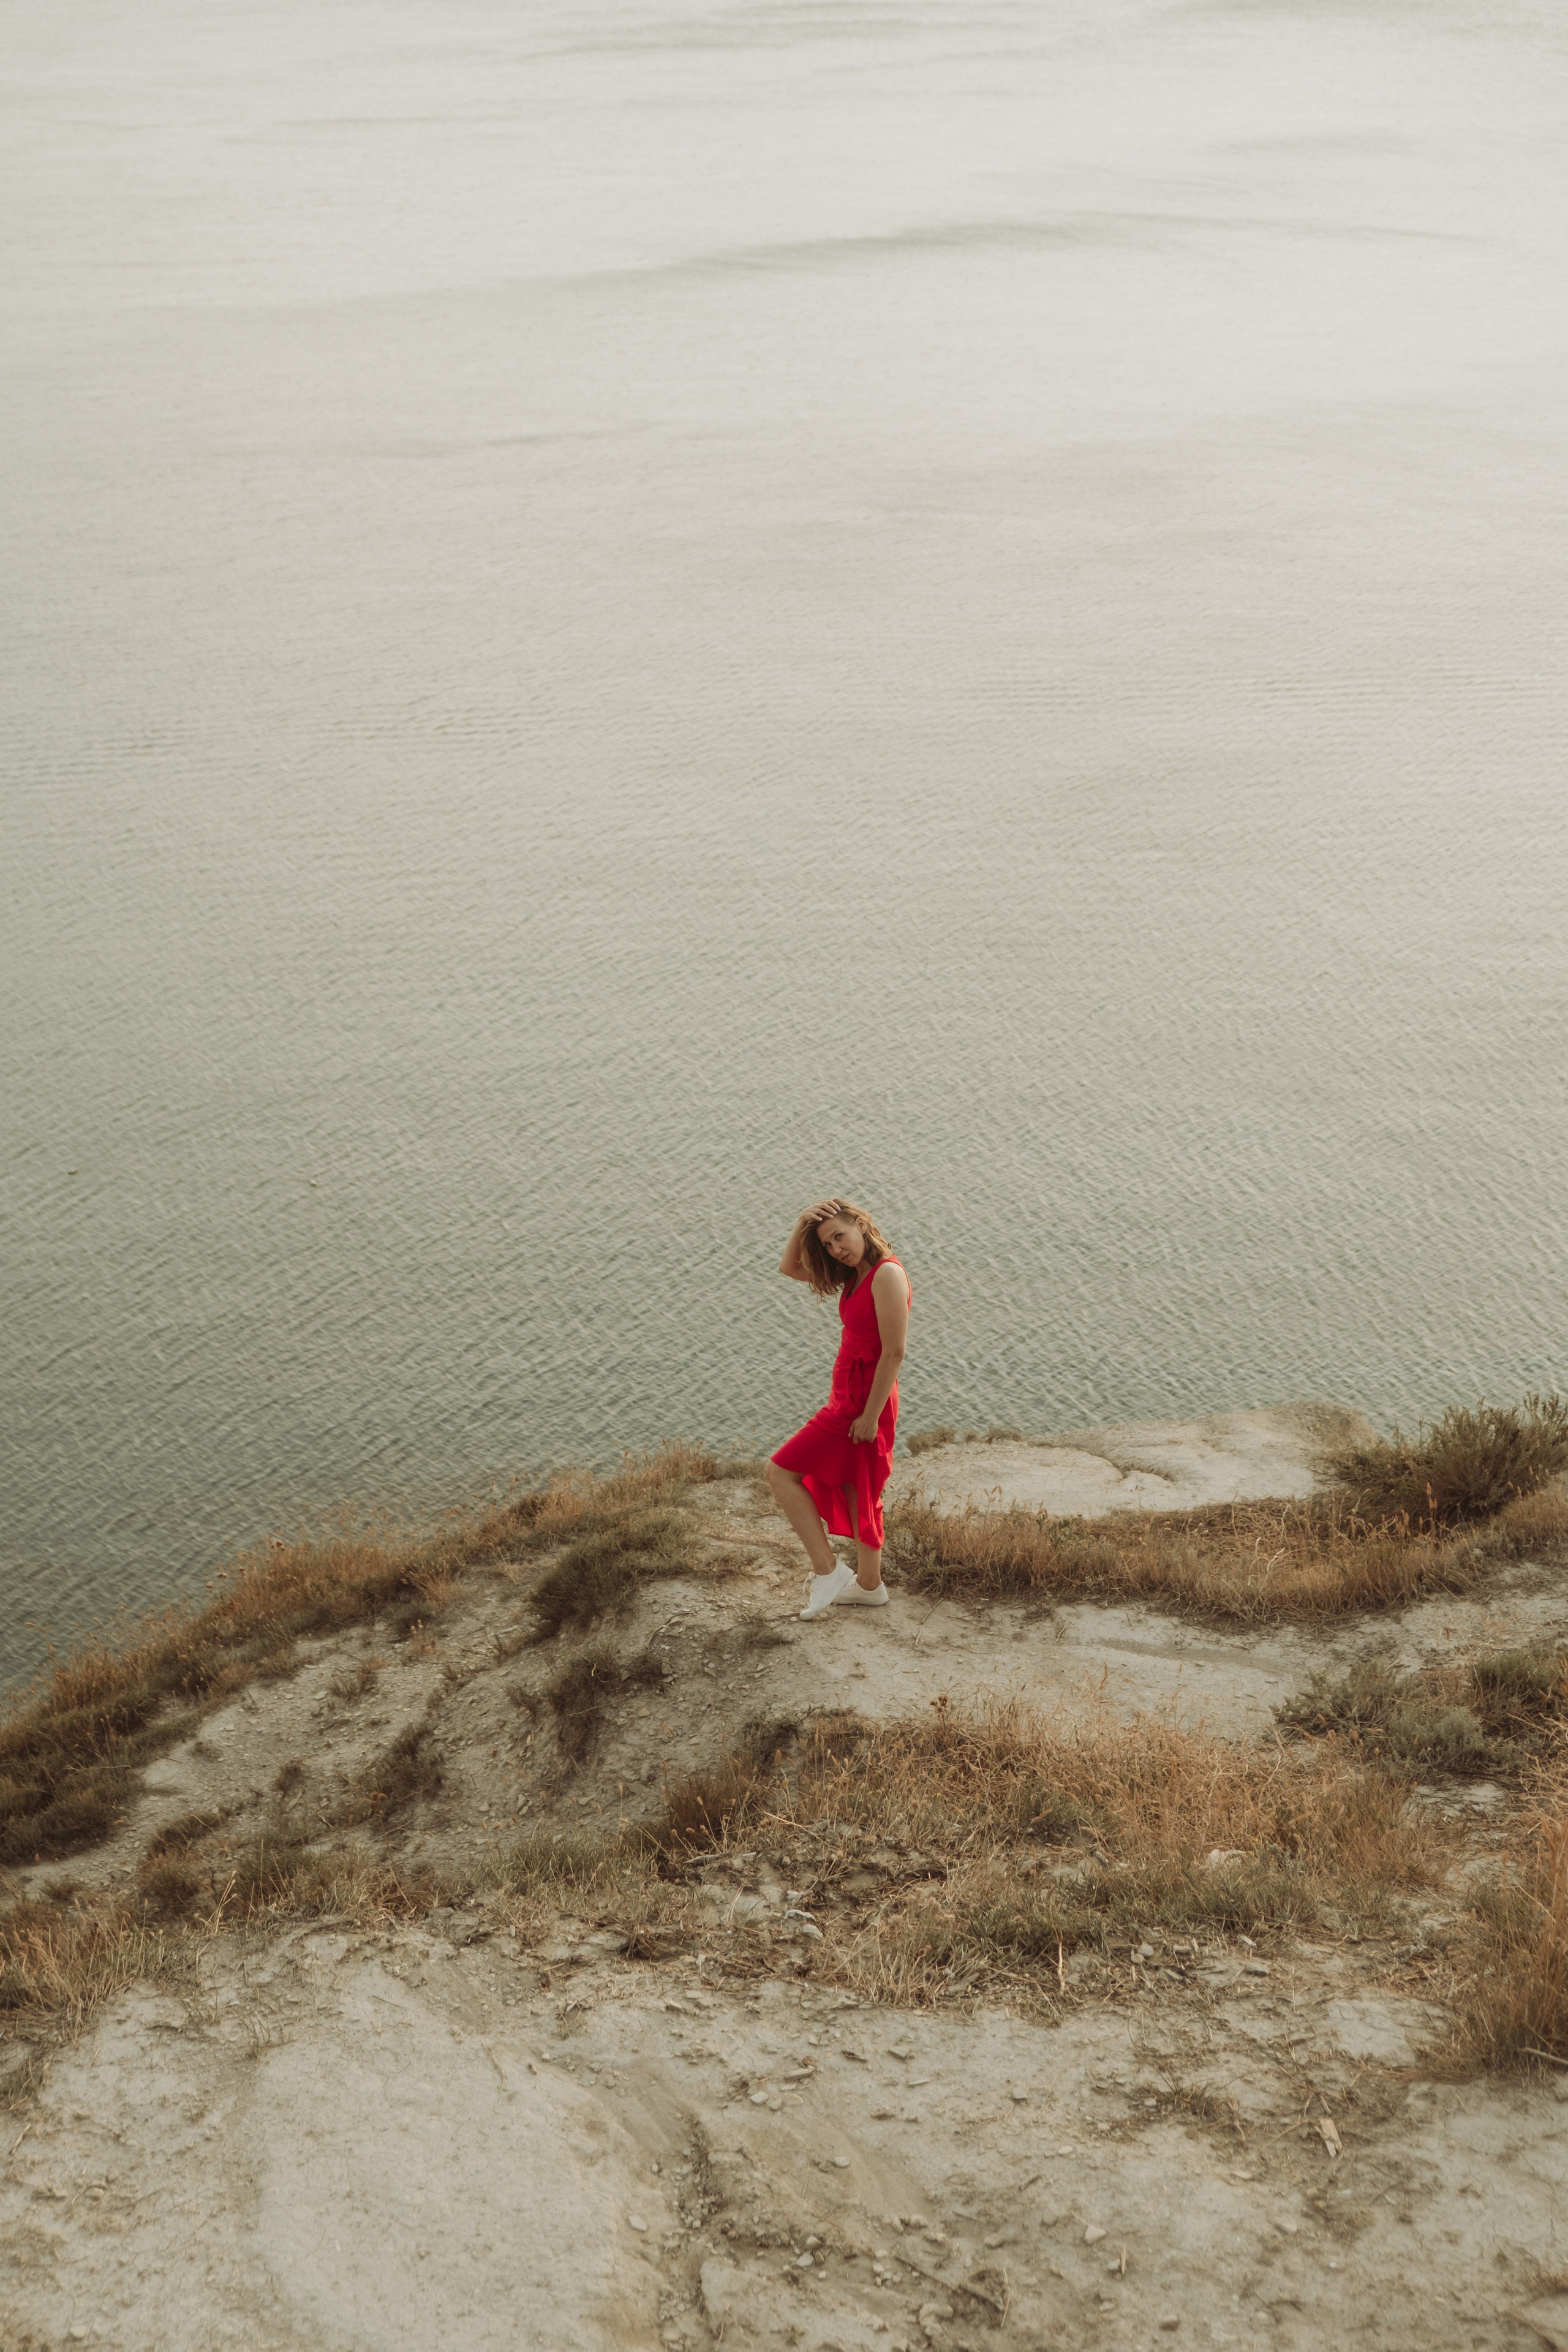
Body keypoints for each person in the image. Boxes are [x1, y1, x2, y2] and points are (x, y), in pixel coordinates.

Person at [767, 1198, 912, 1620]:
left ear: (862, 1225)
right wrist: (801, 1224)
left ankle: (827, 1571)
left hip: (863, 1402)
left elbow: (895, 1352)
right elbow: (790, 1269)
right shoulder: (856, 1274)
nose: (835, 1250)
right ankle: (869, 1586)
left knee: (780, 1472)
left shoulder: (885, 1275)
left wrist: (869, 1416)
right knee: (857, 1487)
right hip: (850, 1396)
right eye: (828, 1244)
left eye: (839, 1237)